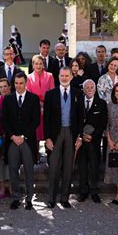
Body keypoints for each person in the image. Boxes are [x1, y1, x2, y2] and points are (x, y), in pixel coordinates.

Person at [43, 66, 82, 208]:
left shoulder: (78, 93)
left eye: (67, 76)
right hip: (55, 134)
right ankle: (51, 198)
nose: (64, 78)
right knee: (54, 166)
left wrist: (80, 137)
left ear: (71, 77)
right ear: (58, 77)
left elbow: (81, 117)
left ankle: (64, 198)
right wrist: (47, 138)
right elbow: (46, 119)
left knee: (68, 167)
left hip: (71, 133)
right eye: (62, 76)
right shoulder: (50, 94)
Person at [2, 73, 41, 210]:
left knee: (29, 170)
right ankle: (16, 198)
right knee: (13, 170)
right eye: (16, 83)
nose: (19, 86)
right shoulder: (7, 99)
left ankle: (29, 198)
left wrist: (23, 136)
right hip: (12, 140)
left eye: (21, 83)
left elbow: (36, 120)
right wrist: (13, 136)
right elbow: (4, 120)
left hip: (27, 140)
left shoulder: (33, 99)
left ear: (26, 83)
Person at [77, 79, 107, 203]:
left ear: (95, 89)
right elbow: (75, 120)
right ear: (83, 89)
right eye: (87, 88)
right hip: (81, 140)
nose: (89, 90)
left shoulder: (101, 103)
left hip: (94, 141)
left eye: (91, 87)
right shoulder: (78, 103)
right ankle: (83, 191)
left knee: (94, 166)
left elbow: (103, 123)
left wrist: (93, 136)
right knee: (82, 166)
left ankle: (94, 191)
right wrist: (81, 135)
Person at [26, 55, 55, 144]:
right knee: (36, 135)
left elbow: (52, 92)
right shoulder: (29, 77)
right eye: (36, 64)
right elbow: (29, 94)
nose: (38, 66)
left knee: (48, 133)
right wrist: (39, 105)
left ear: (43, 65)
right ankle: (36, 156)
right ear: (33, 65)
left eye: (40, 64)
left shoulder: (50, 76)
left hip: (47, 108)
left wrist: (44, 105)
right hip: (34, 108)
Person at [0, 78, 12, 199]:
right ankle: (2, 186)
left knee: (11, 161)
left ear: (9, 87)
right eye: (1, 87)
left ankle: (11, 186)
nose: (3, 89)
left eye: (5, 86)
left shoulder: (14, 99)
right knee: (0, 162)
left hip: (11, 136)